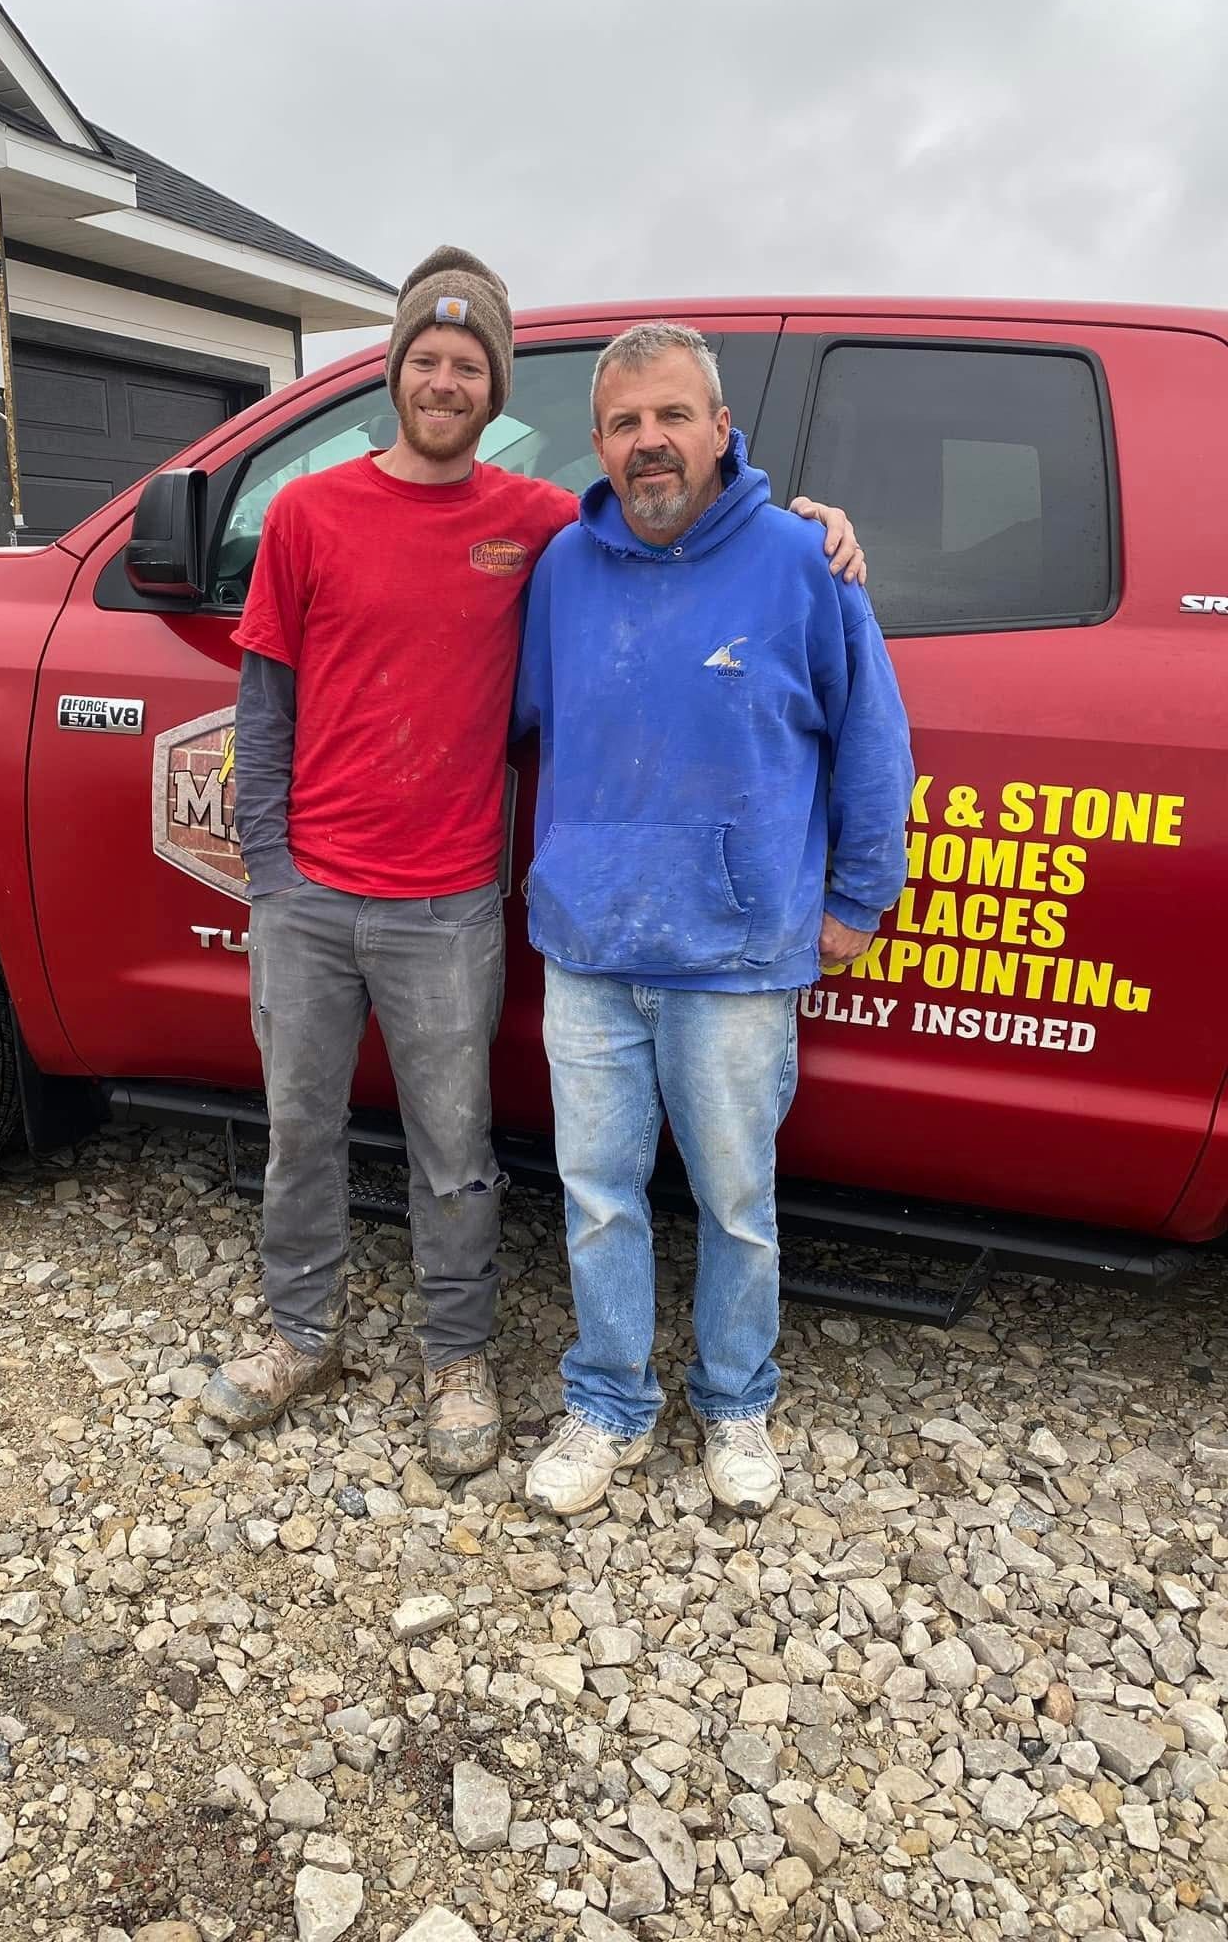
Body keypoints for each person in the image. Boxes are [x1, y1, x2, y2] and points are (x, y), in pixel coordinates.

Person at [199, 253, 866, 1478]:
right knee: (300, 1128)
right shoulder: (318, 515)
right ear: (395, 372)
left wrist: (808, 519)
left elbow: (688, 524)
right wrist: (270, 871)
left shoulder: (543, 525)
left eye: (470, 365)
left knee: (458, 1148)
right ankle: (303, 1332)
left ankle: (460, 1357)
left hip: (450, 898)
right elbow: (264, 706)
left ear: (494, 388)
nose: (445, 379)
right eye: (426, 358)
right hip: (316, 895)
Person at [515, 320, 913, 1520]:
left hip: (738, 957)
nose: (651, 443)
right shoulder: (561, 572)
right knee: (597, 1195)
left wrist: (857, 897)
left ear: (721, 428)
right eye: (627, 422)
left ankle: (737, 1400)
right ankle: (608, 1403)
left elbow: (874, 741)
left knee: (738, 1202)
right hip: (587, 945)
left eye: (674, 416)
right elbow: (515, 722)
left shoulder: (803, 563)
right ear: (597, 441)